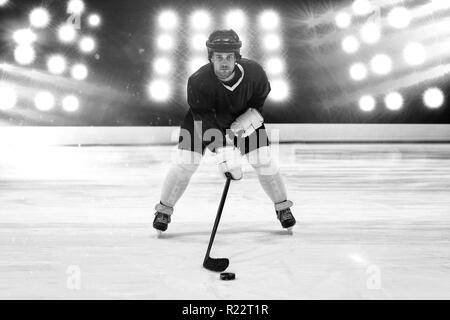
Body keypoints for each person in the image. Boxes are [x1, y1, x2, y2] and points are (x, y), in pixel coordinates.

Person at [153, 29, 295, 233]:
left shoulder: (255, 73)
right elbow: (202, 118)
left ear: (237, 57)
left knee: (264, 161)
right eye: (219, 57)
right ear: (210, 57)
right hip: (200, 123)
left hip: (241, 120)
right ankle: (163, 210)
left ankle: (283, 208)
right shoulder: (197, 81)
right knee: (185, 163)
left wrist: (253, 115)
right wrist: (222, 150)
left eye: (229, 57)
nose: (224, 63)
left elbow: (261, 95)